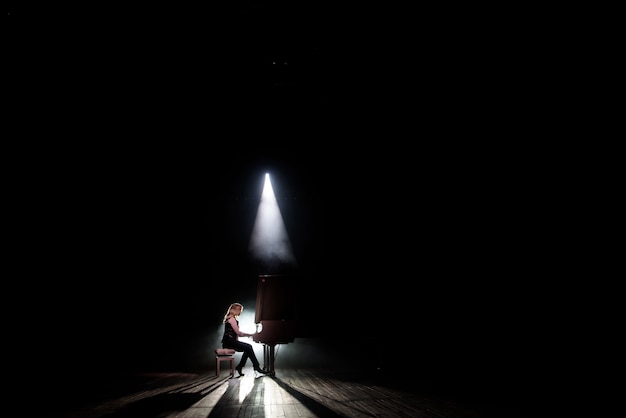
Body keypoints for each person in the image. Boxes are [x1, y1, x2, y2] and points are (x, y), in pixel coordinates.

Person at [221, 302, 269, 376]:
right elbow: (238, 333)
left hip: (230, 342)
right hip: (229, 342)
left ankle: (240, 367)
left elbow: (236, 335)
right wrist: (250, 334)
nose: (240, 312)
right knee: (249, 347)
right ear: (233, 310)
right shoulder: (231, 319)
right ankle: (256, 366)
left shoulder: (232, 319)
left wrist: (239, 342)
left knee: (247, 349)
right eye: (239, 310)